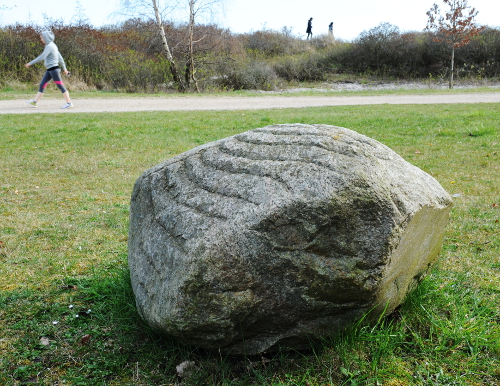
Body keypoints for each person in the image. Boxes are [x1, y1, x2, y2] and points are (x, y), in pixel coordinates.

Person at [25, 31, 73, 109]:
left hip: (54, 70)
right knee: (42, 85)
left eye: (42, 38)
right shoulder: (52, 46)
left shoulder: (50, 46)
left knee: (60, 86)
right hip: (50, 70)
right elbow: (60, 58)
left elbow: (42, 57)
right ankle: (35, 102)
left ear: (46, 38)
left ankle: (69, 103)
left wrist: (30, 63)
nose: (41, 39)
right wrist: (64, 69)